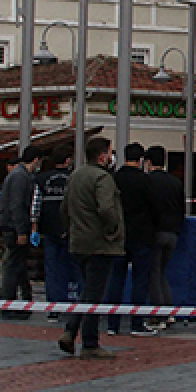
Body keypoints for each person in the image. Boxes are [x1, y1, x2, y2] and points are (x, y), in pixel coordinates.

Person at [58, 137, 123, 359]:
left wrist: (72, 230)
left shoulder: (75, 176)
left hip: (79, 242)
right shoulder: (103, 178)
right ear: (102, 156)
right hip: (99, 244)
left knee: (87, 290)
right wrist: (113, 229)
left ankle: (71, 331)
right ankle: (89, 342)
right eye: (110, 153)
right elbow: (106, 209)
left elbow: (64, 209)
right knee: (94, 294)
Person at [103, 143, 159, 337]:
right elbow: (154, 208)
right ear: (141, 159)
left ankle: (112, 324)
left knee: (116, 279)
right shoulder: (146, 181)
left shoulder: (114, 179)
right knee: (140, 280)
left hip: (118, 235)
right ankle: (136, 323)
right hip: (142, 235)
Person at [33, 145, 82, 321]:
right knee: (77, 269)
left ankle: (54, 307)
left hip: (49, 230)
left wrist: (34, 229)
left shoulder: (41, 179)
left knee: (53, 270)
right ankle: (77, 304)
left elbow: (35, 206)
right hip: (73, 230)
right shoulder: (76, 178)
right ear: (68, 160)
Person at [0, 145, 45, 320]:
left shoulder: (20, 175)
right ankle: (8, 304)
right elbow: (17, 205)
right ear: (36, 159)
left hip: (13, 227)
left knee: (18, 266)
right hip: (14, 228)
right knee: (13, 267)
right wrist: (21, 231)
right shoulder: (20, 177)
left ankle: (22, 300)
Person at [144, 145, 185, 329]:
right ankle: (168, 312)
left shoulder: (147, 181)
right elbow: (181, 209)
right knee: (161, 273)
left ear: (148, 162)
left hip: (154, 232)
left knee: (153, 273)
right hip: (173, 233)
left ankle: (158, 315)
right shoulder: (175, 182)